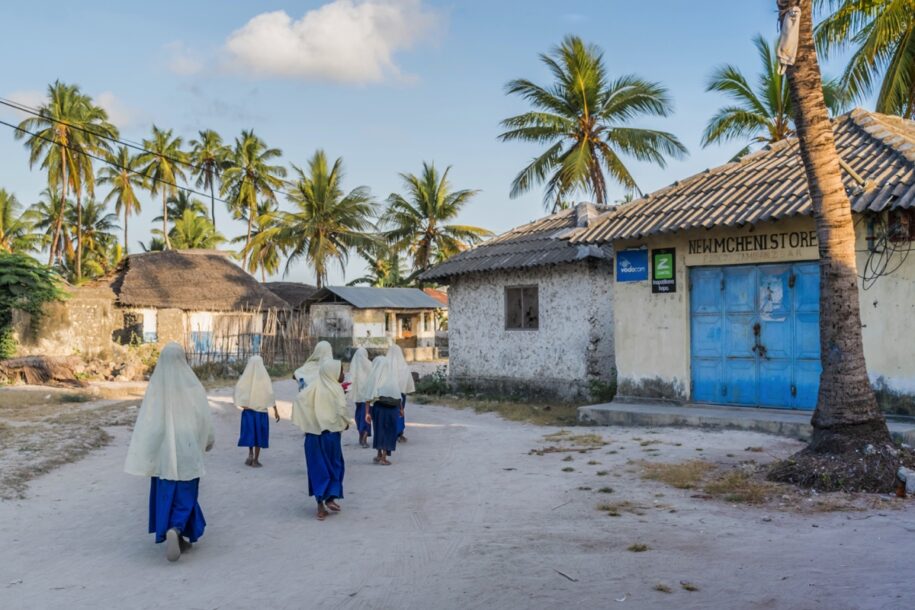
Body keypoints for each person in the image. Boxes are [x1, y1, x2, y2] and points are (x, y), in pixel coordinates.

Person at [124, 342, 214, 562]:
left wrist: (147, 452)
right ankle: (177, 528)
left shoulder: (156, 391)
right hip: (187, 447)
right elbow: (204, 418)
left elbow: (148, 423)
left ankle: (174, 531)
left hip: (164, 450)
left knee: (167, 493)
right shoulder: (193, 387)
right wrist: (207, 441)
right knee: (187, 491)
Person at [290, 359, 352, 521]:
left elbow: (299, 400)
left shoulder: (312, 388)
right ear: (332, 373)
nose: (343, 374)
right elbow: (341, 410)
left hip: (313, 437)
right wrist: (345, 423)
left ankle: (321, 504)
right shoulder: (336, 389)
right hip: (331, 436)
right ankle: (329, 498)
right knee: (335, 465)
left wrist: (310, 421)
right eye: (340, 371)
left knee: (318, 468)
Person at [234, 355, 279, 467]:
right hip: (261, 412)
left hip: (248, 412)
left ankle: (250, 454)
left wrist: (243, 404)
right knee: (259, 435)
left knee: (250, 433)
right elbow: (270, 394)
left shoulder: (245, 378)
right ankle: (256, 460)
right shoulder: (264, 378)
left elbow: (238, 391)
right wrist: (275, 410)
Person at [365, 356, 403, 466]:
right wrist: (401, 409)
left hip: (378, 409)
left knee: (379, 430)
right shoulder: (392, 377)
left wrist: (367, 413)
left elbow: (368, 396)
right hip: (392, 410)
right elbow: (397, 394)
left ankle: (379, 454)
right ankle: (384, 457)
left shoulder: (373, 378)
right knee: (389, 432)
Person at [387, 344, 416, 443]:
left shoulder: (385, 365)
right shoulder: (404, 366)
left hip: (388, 393)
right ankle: (399, 433)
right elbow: (407, 381)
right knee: (400, 411)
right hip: (400, 394)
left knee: (388, 412)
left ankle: (390, 433)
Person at [348, 347, 374, 448]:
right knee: (367, 415)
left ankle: (361, 435)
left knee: (359, 415)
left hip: (358, 397)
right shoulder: (370, 365)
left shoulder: (354, 367)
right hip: (367, 397)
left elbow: (350, 380)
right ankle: (364, 438)